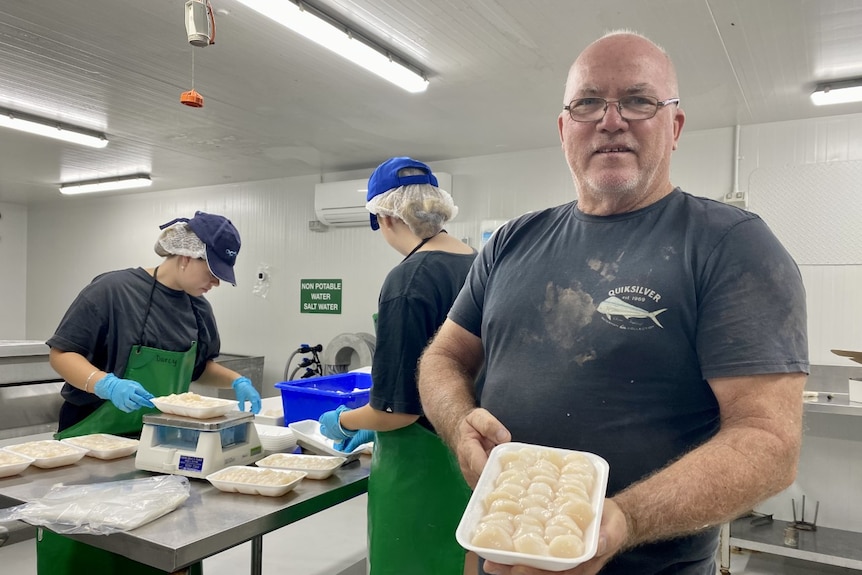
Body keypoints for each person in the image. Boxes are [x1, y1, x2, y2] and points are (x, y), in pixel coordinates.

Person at [417, 30, 809, 575]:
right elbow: (442, 359)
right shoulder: (511, 241)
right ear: (563, 129)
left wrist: (622, 519)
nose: (610, 119)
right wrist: (459, 423)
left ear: (675, 126)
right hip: (500, 551)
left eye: (639, 100)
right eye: (588, 102)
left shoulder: (730, 245)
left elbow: (769, 443)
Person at [42, 210, 261, 575]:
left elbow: (199, 367)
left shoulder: (198, 310)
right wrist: (105, 383)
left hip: (160, 448)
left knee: (161, 552)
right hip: (92, 449)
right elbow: (62, 352)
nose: (216, 284)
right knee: (90, 552)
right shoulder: (112, 291)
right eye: (213, 272)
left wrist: (236, 380)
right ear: (186, 255)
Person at [317, 157, 479, 575]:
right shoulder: (481, 265)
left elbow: (398, 411)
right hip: (478, 460)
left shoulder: (408, 281)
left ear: (385, 217)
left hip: (422, 476)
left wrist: (348, 421)